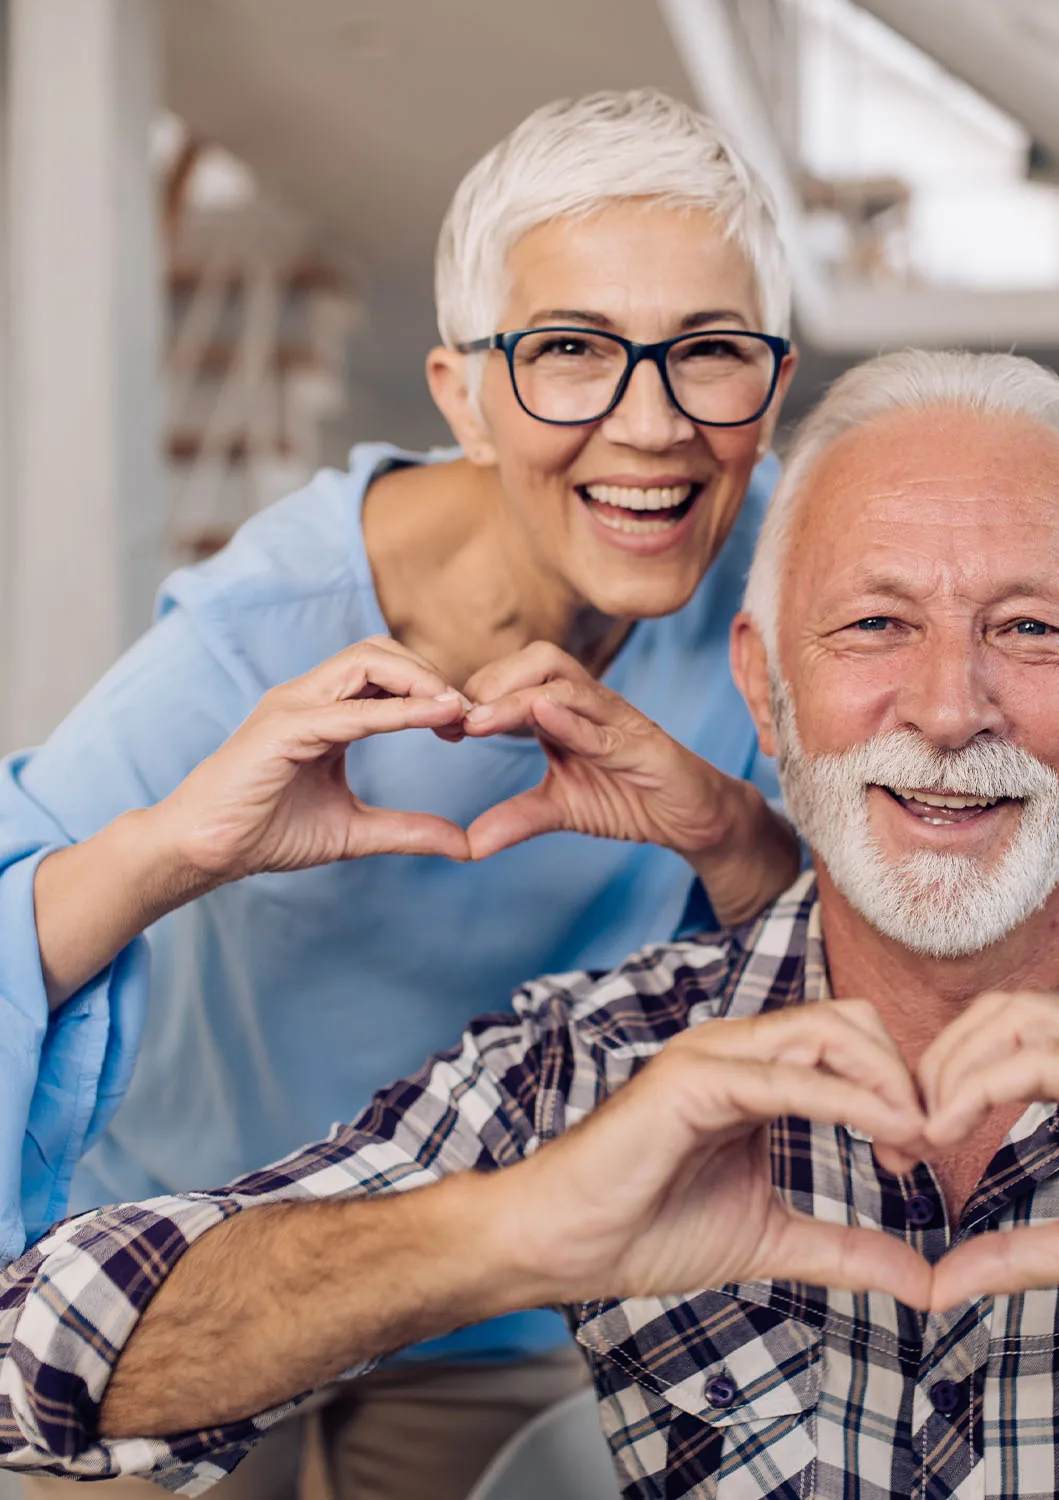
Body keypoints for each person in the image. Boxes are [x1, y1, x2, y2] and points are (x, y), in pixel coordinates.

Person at [5, 350, 1059, 1500]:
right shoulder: (599, 1066)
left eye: (1034, 630)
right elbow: (44, 1347)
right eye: (872, 626)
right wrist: (504, 1232)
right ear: (765, 692)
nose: (947, 709)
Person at [0, 90, 803, 1498]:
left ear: (769, 383)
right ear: (463, 397)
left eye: (708, 354)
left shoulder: (789, 594)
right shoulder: (258, 629)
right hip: (191, 1254)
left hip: (503, 1285)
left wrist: (729, 832)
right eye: (570, 353)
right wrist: (178, 848)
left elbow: (877, 973)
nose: (654, 424)